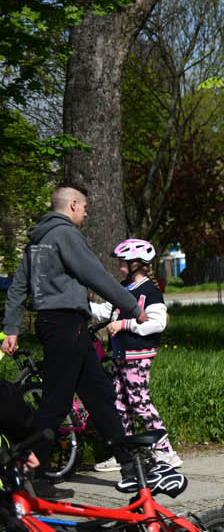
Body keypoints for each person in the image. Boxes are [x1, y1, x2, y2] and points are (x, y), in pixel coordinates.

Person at [0, 187, 169, 493]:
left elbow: (18, 287)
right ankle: (37, 479)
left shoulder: (37, 240)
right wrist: (133, 308)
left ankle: (129, 464)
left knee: (100, 394)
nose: (87, 213)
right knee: (55, 401)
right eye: (85, 207)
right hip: (67, 325)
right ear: (73, 205)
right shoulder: (65, 235)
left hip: (57, 324)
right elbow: (96, 276)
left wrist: (11, 327)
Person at [87, 239, 180, 472]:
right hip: (120, 354)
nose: (120, 267)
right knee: (119, 402)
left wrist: (125, 325)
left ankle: (167, 452)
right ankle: (124, 454)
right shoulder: (122, 287)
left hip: (139, 355)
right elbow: (105, 312)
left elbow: (157, 323)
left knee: (139, 402)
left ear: (138, 264)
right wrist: (79, 304)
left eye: (124, 263)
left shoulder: (150, 290)